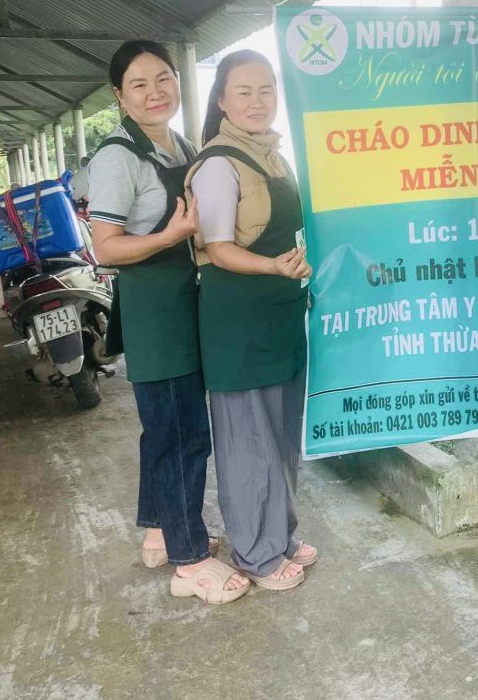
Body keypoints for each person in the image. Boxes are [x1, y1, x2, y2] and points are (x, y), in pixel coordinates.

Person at [88, 40, 249, 603]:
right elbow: (106, 247)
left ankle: (160, 531)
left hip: (185, 302)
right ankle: (190, 559)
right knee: (181, 433)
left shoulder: (179, 144)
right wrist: (171, 236)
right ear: (119, 95)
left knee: (166, 427)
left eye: (163, 78)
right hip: (155, 311)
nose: (155, 92)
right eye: (139, 84)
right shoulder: (117, 156)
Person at [187, 49, 316, 590]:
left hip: (280, 312)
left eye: (266, 90)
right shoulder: (219, 164)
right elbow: (218, 248)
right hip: (238, 318)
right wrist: (273, 266)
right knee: (248, 442)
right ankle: (256, 554)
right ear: (222, 100)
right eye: (244, 91)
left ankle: (280, 535)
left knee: (283, 434)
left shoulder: (275, 157)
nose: (257, 101)